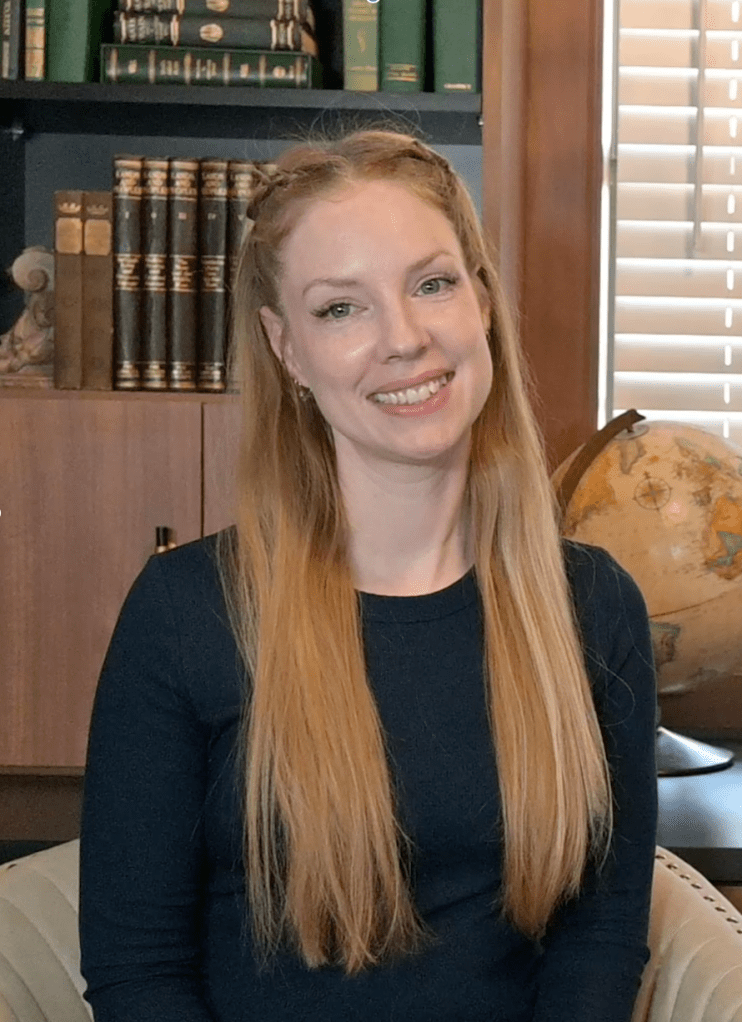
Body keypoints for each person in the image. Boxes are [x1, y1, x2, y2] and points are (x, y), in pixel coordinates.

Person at [78, 128, 658, 1022]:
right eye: (341, 308)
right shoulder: (187, 612)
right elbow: (137, 970)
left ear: (483, 301)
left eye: (432, 284)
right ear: (286, 349)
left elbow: (602, 936)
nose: (405, 340)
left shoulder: (594, 606)